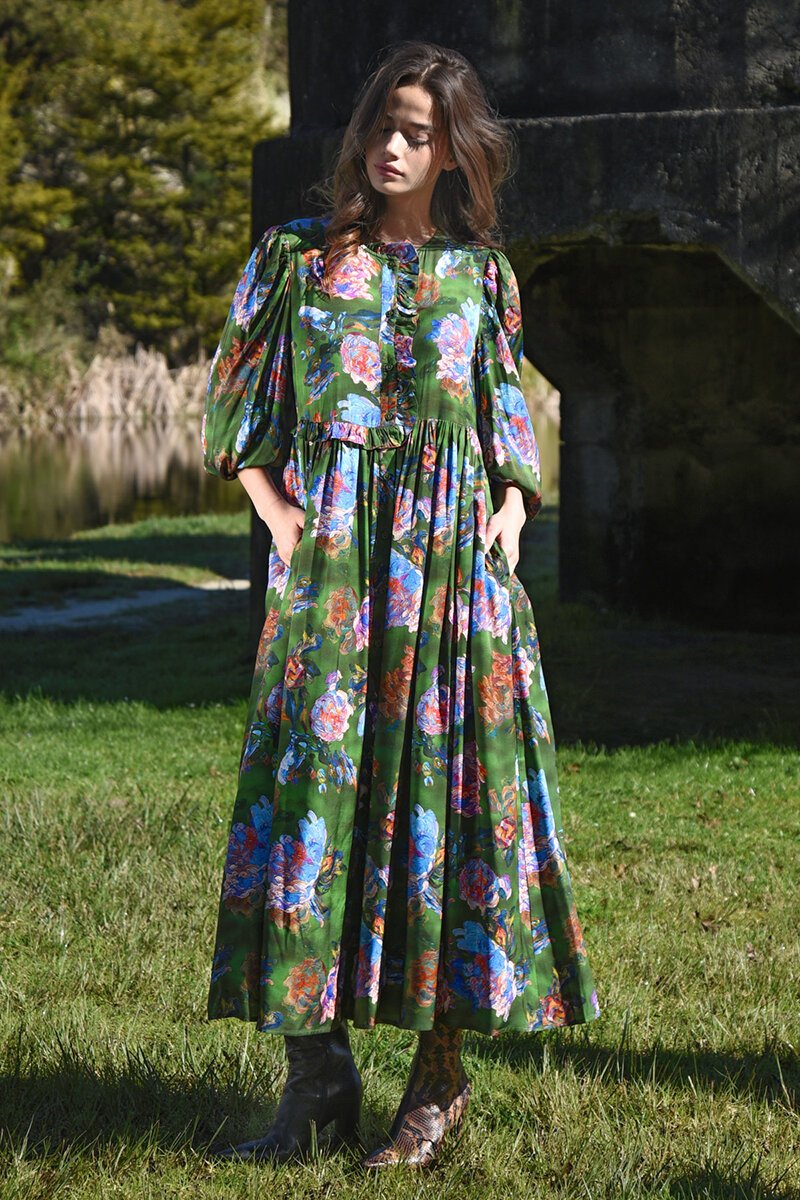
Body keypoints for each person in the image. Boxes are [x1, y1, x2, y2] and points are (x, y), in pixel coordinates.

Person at [201, 39, 601, 1170]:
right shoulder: (294, 259)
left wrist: (512, 513)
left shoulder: (482, 278)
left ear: (452, 153)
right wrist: (279, 519)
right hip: (331, 575)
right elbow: (239, 407)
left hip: (451, 583)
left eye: (417, 133)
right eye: (382, 123)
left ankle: (436, 1082)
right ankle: (316, 1075)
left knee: (447, 808)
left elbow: (506, 426)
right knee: (309, 805)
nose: (390, 146)